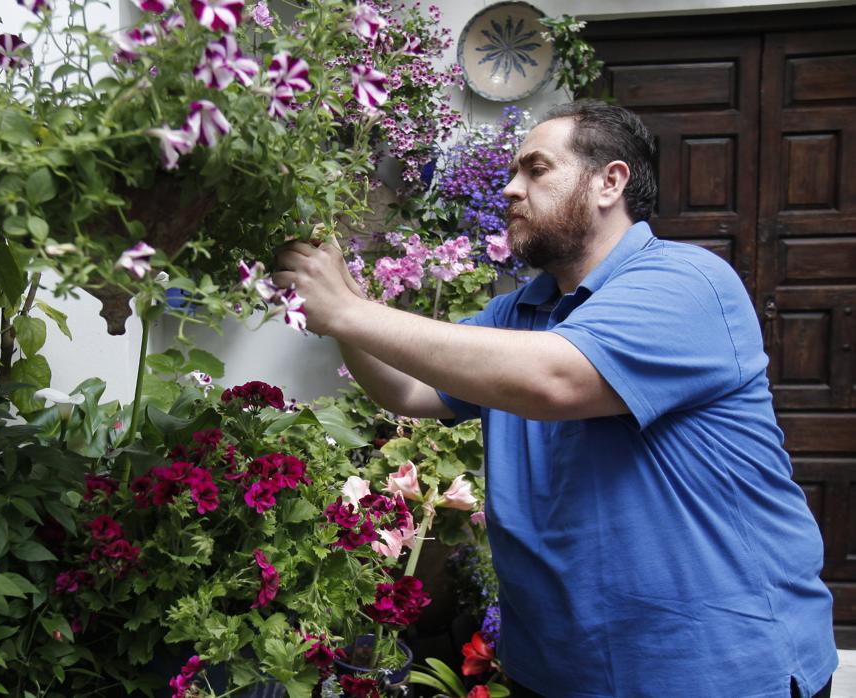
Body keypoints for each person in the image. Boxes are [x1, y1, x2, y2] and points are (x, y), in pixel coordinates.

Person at [274, 100, 837, 698]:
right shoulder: (518, 312)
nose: (512, 190)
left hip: (713, 668)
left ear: (609, 182)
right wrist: (341, 313)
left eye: (536, 170)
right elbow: (409, 389)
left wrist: (352, 310)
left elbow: (556, 380)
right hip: (557, 669)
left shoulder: (686, 283)